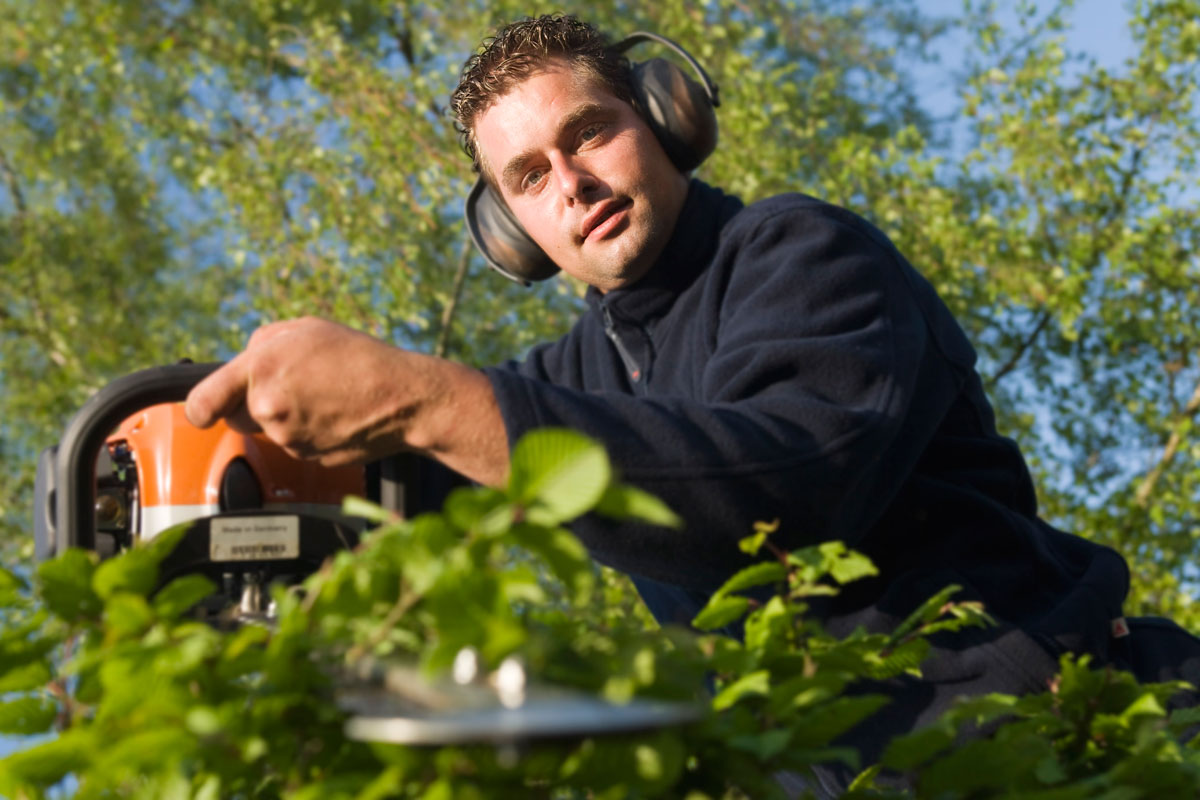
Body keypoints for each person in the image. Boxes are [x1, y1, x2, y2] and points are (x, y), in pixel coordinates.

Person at [185, 14, 1200, 793]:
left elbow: (778, 493)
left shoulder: (804, 253)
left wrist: (417, 395)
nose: (573, 184)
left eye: (590, 133)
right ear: (512, 232)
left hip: (1070, 734)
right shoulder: (568, 380)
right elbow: (391, 501)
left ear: (669, 117)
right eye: (531, 176)